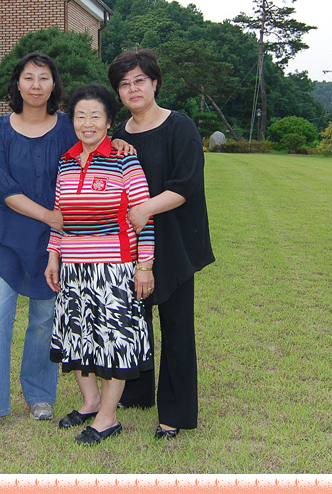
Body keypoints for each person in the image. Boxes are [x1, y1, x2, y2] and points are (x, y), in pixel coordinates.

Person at [0, 52, 77, 432]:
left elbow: (96, 147)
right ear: (17, 84)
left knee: (44, 320)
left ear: (54, 84)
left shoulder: (68, 128)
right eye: (29, 77)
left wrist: (121, 143)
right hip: (6, 239)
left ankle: (40, 393)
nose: (36, 85)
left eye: (44, 77)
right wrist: (48, 215)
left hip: (52, 245)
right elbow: (5, 189)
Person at [107, 48, 216, 440]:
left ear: (154, 83)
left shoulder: (179, 126)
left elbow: (187, 185)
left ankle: (175, 412)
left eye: (139, 80)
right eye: (124, 84)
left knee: (176, 326)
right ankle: (136, 393)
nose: (132, 89)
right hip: (132, 245)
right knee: (134, 321)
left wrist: (145, 209)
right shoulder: (119, 135)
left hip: (175, 240)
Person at [44, 83, 155, 446]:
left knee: (113, 341)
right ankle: (91, 402)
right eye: (80, 116)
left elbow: (144, 218)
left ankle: (108, 418)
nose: (87, 123)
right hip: (73, 269)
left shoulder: (125, 160)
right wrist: (53, 255)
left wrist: (144, 266)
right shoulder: (65, 162)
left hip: (114, 270)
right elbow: (59, 217)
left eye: (96, 116)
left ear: (109, 122)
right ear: (72, 121)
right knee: (77, 337)